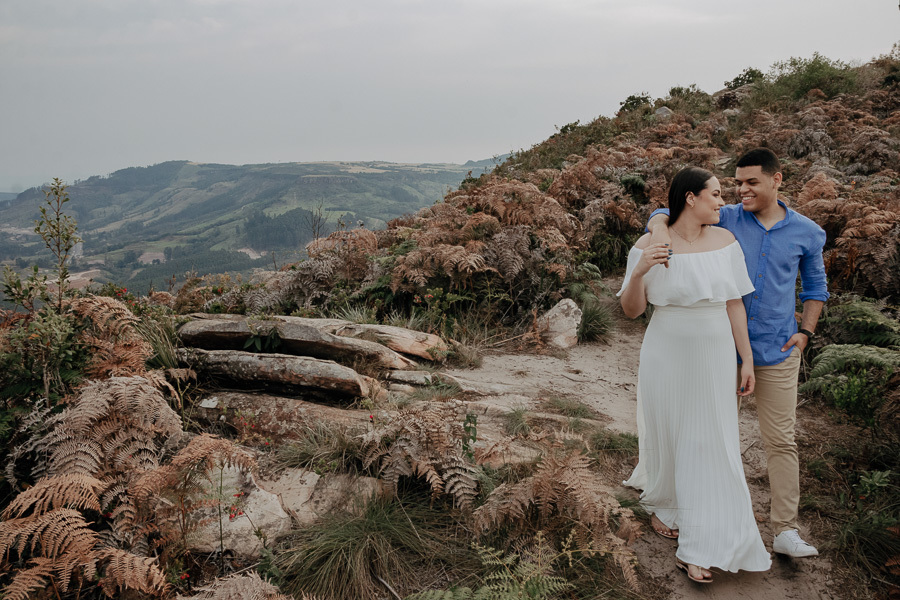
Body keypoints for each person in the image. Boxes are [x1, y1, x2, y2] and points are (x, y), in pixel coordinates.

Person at [647, 148, 829, 559]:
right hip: (719, 351)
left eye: (751, 183)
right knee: (707, 435)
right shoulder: (725, 218)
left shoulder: (808, 232)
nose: (741, 190)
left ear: (776, 180)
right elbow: (668, 211)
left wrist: (805, 332)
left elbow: (816, 288)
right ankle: (698, 514)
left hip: (778, 350)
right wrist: (658, 228)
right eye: (737, 183)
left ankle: (785, 530)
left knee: (781, 441)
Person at [619, 166, 772, 583]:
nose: (723, 201)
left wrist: (746, 359)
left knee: (709, 439)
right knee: (669, 430)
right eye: (716, 194)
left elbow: (734, 303)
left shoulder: (725, 242)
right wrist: (639, 271)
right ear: (691, 198)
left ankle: (699, 543)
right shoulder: (649, 245)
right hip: (665, 348)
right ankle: (666, 502)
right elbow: (632, 311)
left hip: (714, 350)